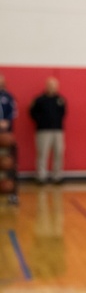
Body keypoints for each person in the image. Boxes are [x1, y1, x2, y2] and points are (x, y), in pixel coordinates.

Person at [29, 77, 67, 184]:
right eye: (50, 85)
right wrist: (41, 121)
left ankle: (57, 176)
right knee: (42, 153)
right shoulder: (39, 100)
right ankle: (41, 176)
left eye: (54, 86)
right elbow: (32, 113)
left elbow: (63, 113)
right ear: (46, 86)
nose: (52, 87)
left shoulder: (60, 100)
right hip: (43, 130)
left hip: (58, 131)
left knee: (59, 153)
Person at [0, 74, 19, 204]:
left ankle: (13, 195)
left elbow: (13, 113)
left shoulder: (9, 97)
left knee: (9, 165)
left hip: (6, 135)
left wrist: (5, 122)